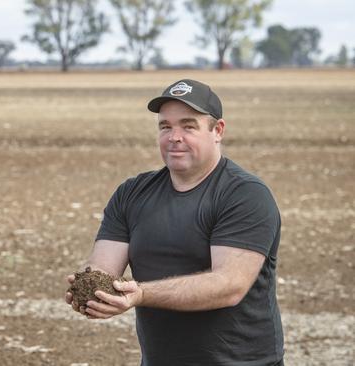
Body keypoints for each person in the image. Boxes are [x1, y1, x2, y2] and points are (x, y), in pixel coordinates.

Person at [65, 79, 284, 365]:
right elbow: (104, 267)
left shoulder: (244, 195)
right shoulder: (132, 193)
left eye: (188, 126)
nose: (174, 136)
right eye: (165, 126)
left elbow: (230, 285)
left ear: (217, 131)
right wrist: (91, 289)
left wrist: (141, 294)